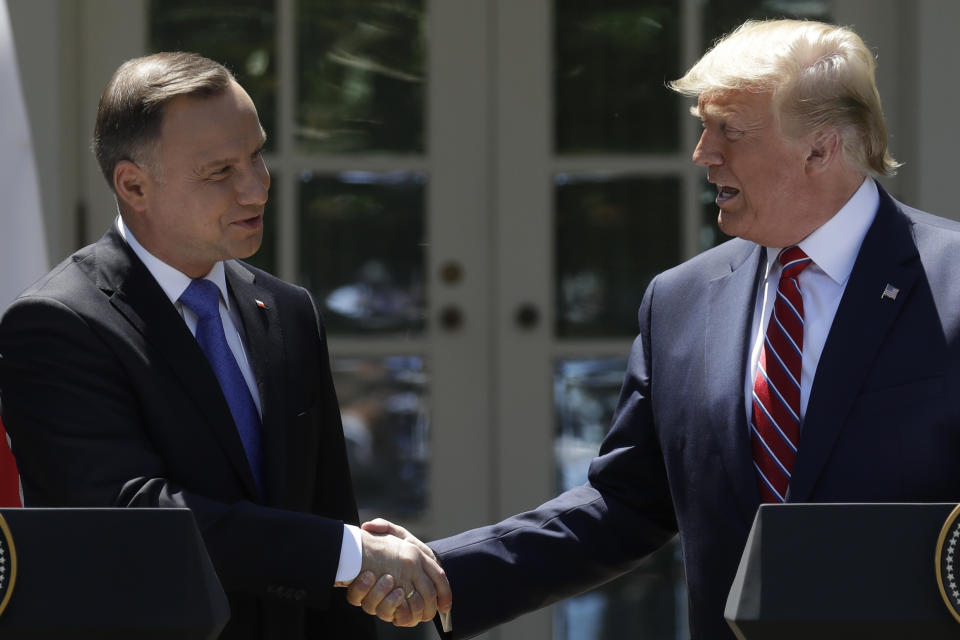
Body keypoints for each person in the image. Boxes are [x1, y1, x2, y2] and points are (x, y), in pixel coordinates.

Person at [346, 18, 960, 639]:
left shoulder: (952, 280)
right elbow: (628, 503)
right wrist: (447, 572)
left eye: (731, 131)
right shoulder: (681, 301)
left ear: (821, 149)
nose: (703, 153)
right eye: (703, 127)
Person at [0, 52, 450, 639]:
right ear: (133, 184)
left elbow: (325, 509)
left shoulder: (288, 311)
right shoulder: (56, 324)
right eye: (219, 172)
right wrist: (348, 554)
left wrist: (351, 553)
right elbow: (137, 517)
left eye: (257, 154)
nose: (257, 187)